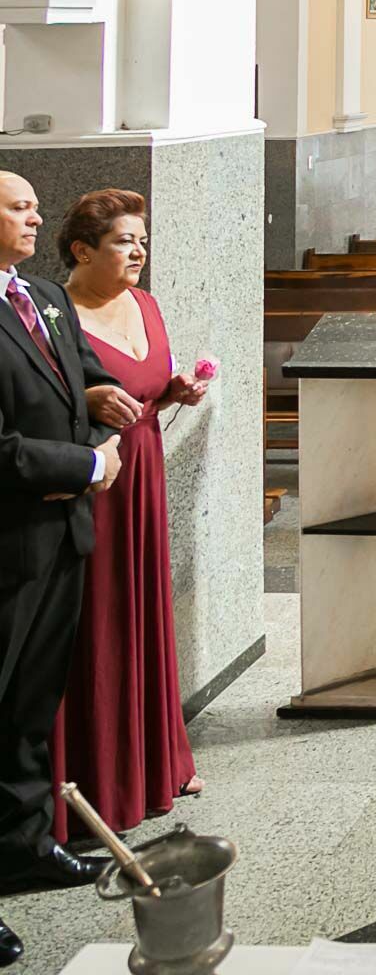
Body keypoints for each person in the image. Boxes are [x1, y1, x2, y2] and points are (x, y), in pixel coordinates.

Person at [49, 189, 212, 847]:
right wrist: (88, 401)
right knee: (97, 622)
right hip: (95, 479)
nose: (138, 250)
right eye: (123, 241)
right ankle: (96, 776)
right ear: (83, 250)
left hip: (143, 473)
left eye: (142, 239)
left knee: (145, 614)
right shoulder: (56, 314)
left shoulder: (145, 303)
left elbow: (148, 382)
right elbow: (44, 396)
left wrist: (176, 390)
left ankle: (154, 762)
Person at [0, 171, 125, 967]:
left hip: (57, 538)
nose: (34, 213)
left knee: (25, 709)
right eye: (17, 205)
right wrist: (84, 461)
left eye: (34, 204)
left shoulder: (40, 295)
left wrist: (103, 394)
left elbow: (74, 373)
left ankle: (21, 844)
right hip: (8, 538)